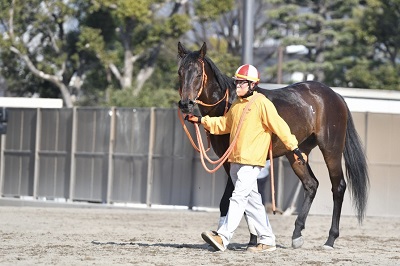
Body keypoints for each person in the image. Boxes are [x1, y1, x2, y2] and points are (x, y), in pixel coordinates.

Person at [185, 64, 307, 253]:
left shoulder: (262, 103)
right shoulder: (237, 104)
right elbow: (224, 124)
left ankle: (223, 237)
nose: (237, 85)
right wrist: (201, 121)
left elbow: (280, 127)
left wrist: (295, 148)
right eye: (237, 81)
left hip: (251, 161)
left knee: (238, 197)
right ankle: (267, 240)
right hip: (236, 159)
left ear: (252, 85)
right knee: (253, 201)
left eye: (241, 82)